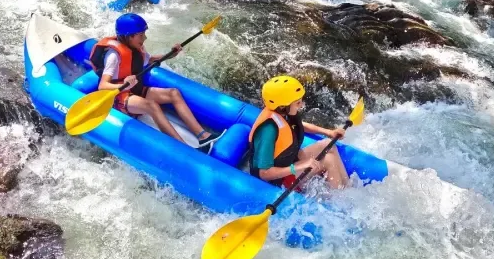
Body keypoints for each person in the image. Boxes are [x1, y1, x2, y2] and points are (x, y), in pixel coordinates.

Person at [90, 13, 225, 152]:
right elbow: (103, 86)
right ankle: (184, 148)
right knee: (152, 106)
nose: (145, 38)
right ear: (128, 36)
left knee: (174, 93)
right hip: (118, 96)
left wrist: (172, 54)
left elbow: (151, 60)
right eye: (141, 35)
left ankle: (203, 136)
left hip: (134, 90)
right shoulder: (113, 55)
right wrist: (123, 84)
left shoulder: (137, 48)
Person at [249, 76, 350, 189]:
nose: (301, 105)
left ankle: (348, 188)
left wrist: (328, 132)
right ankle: (338, 200)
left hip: (289, 161)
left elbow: (299, 126)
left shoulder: (282, 113)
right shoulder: (268, 130)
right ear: (283, 106)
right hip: (278, 179)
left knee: (328, 144)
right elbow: (264, 174)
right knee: (329, 160)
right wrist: (297, 167)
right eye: (297, 103)